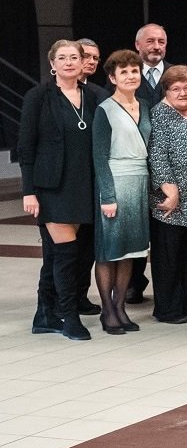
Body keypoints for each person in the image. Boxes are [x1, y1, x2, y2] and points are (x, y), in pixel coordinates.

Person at [20, 40, 106, 340]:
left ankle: (44, 314)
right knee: (66, 254)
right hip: (52, 187)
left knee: (58, 256)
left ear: (83, 63)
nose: (69, 62)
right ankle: (68, 317)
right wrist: (28, 191)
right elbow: (26, 146)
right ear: (52, 64)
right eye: (62, 58)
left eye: (74, 57)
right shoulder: (38, 96)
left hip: (84, 184)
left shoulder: (93, 96)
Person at [88, 50, 152, 335]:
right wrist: (108, 196)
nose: (130, 76)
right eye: (123, 72)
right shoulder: (105, 109)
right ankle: (107, 310)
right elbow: (99, 157)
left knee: (130, 251)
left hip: (139, 182)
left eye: (134, 71)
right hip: (114, 182)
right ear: (113, 78)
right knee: (108, 251)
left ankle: (121, 306)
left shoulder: (145, 105)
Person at [148, 65, 187, 324]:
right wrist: (170, 190)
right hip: (169, 195)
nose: (183, 93)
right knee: (169, 255)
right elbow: (157, 155)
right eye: (176, 89)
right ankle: (168, 308)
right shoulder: (159, 113)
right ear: (166, 90)